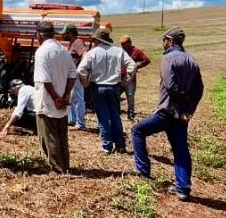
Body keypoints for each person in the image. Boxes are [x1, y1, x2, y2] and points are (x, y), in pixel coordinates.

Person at [132, 27, 204, 202]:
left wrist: (181, 99)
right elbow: (199, 89)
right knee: (181, 150)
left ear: (170, 41)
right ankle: (183, 189)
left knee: (137, 131)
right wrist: (189, 109)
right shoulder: (191, 61)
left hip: (166, 111)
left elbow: (170, 86)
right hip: (182, 115)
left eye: (164, 40)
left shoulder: (168, 58)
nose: (163, 43)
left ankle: (142, 171)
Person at [78, 27, 136, 154]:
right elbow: (132, 65)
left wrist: (86, 83)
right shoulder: (118, 51)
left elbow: (80, 70)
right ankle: (120, 145)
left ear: (96, 40)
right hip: (114, 86)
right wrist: (126, 81)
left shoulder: (92, 53)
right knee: (115, 116)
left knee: (102, 117)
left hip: (98, 87)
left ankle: (107, 146)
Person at [33, 21, 77, 173]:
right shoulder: (64, 51)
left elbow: (44, 79)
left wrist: (55, 97)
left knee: (49, 137)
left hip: (48, 101)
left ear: (39, 35)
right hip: (62, 102)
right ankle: (65, 166)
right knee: (61, 137)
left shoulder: (41, 52)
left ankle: (57, 169)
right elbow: (73, 76)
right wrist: (64, 95)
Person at [61, 24, 88, 130]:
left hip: (76, 76)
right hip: (72, 76)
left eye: (65, 34)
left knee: (78, 98)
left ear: (70, 34)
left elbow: (85, 54)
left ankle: (80, 124)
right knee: (72, 98)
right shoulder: (73, 43)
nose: (63, 36)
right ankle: (73, 120)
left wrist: (80, 70)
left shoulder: (78, 42)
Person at [119, 35, 151, 121]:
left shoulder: (136, 51)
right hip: (120, 78)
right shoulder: (120, 51)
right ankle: (117, 112)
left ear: (129, 43)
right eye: (121, 44)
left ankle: (130, 114)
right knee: (116, 95)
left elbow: (146, 60)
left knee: (130, 97)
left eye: (124, 44)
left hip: (130, 79)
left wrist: (137, 65)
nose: (122, 45)